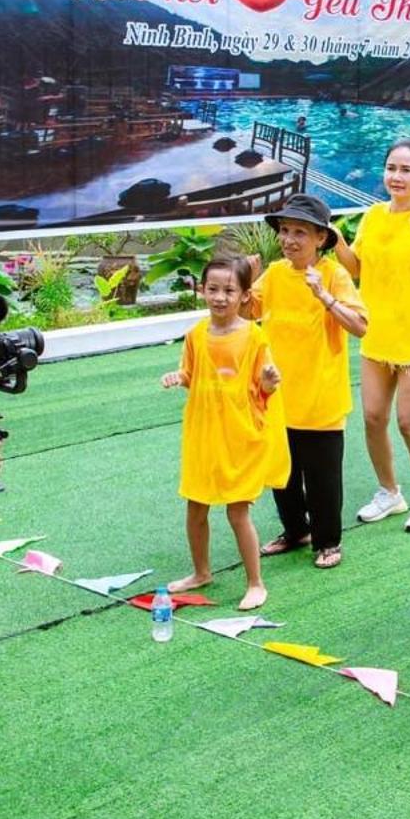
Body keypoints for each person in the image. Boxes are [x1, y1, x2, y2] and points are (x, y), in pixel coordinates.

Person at [337, 139, 410, 533]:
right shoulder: (372, 216)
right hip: (376, 335)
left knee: (409, 423)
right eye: (392, 168)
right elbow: (356, 268)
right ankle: (390, 492)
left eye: (407, 170)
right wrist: (333, 238)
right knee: (372, 418)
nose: (397, 176)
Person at [163, 257, 286, 611]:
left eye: (229, 290)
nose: (219, 297)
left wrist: (268, 383)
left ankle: (255, 582)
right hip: (203, 433)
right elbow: (192, 375)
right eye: (212, 289)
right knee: (196, 507)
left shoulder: (254, 336)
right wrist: (178, 378)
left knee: (237, 513)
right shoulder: (195, 334)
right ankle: (201, 571)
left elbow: (262, 389)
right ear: (201, 290)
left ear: (245, 295)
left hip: (239, 435)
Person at [255, 194, 366, 570]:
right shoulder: (273, 273)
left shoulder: (334, 275)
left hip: (321, 399)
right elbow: (244, 309)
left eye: (299, 232)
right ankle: (295, 531)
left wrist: (324, 297)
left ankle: (327, 541)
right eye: (285, 231)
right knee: (281, 475)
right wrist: (237, 281)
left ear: (321, 238)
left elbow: (362, 326)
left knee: (322, 480)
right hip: (277, 396)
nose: (289, 240)